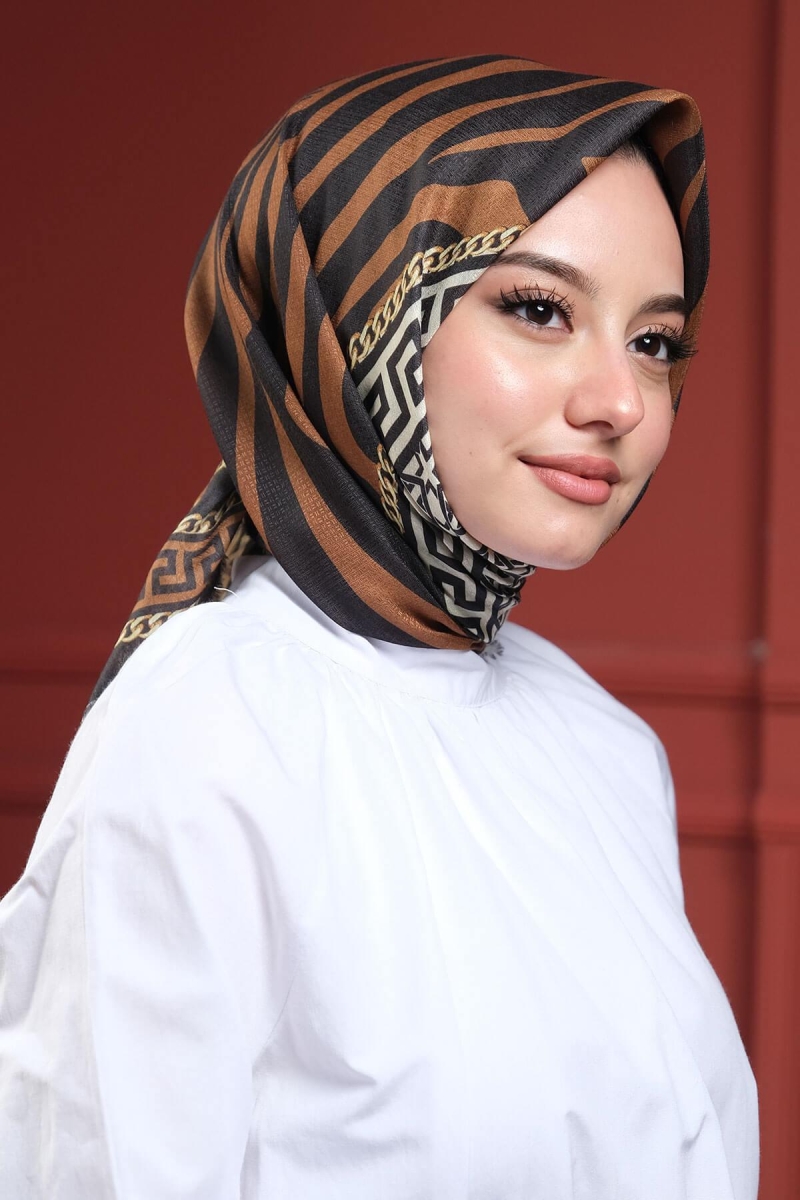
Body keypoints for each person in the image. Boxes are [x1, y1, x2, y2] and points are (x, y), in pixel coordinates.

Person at [0, 53, 758, 1199]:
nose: (617, 402)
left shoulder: (602, 746)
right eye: (538, 310)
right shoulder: (209, 728)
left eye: (652, 341)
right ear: (353, 318)